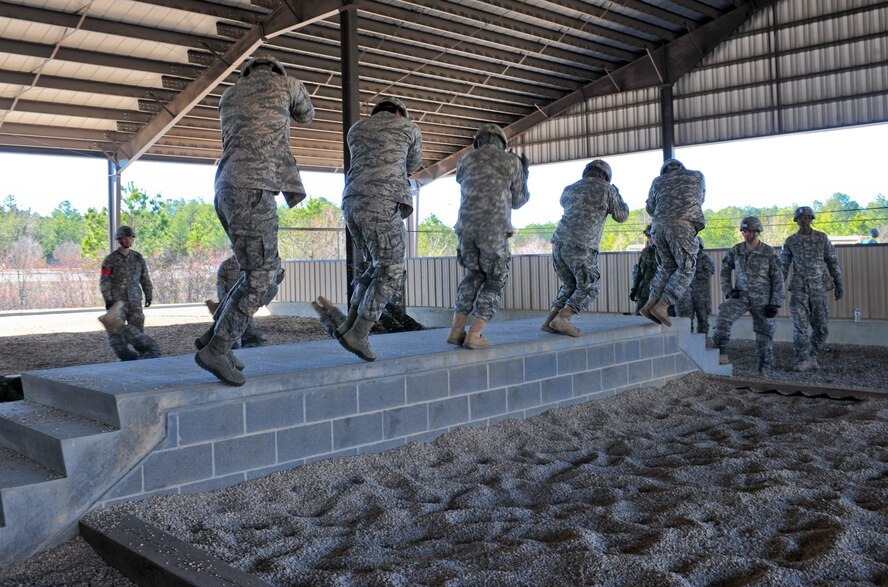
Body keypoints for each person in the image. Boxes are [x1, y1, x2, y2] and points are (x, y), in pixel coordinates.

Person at [195, 54, 314, 386]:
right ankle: (217, 348)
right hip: (254, 187)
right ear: (277, 71)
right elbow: (307, 115)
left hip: (225, 189)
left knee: (260, 272)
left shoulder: (228, 94)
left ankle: (216, 336)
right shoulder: (286, 85)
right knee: (263, 277)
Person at [335, 96, 423, 361]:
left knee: (375, 265)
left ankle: (348, 324)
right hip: (382, 202)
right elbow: (412, 165)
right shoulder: (408, 126)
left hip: (352, 202)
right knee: (392, 269)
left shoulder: (356, 129)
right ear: (399, 112)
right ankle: (359, 332)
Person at [446, 124, 529, 349]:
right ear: (502, 143)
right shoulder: (510, 162)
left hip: (466, 230)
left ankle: (456, 331)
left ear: (478, 141)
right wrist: (525, 175)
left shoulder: (465, 160)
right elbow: (519, 201)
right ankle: (475, 335)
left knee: (473, 275)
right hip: (493, 230)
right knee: (495, 279)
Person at [541, 159, 628, 337]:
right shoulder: (607, 189)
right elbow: (622, 215)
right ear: (605, 176)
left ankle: (550, 321)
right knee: (590, 286)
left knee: (570, 284)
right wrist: (617, 194)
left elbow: (564, 202)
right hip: (582, 245)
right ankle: (563, 319)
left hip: (559, 244)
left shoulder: (570, 188)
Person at [712, 217, 784, 372]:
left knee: (764, 334)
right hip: (741, 296)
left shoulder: (768, 252)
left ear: (757, 232)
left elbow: (778, 278)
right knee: (723, 315)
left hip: (763, 300)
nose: (747, 234)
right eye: (744, 231)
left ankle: (765, 369)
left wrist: (775, 302)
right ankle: (720, 353)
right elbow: (724, 271)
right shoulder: (736, 250)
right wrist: (728, 291)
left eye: (750, 231)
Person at [641, 158, 706, 326]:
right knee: (686, 267)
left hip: (658, 229)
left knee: (667, 266)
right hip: (682, 226)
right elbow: (700, 198)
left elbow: (650, 208)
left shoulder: (658, 181)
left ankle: (650, 304)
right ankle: (662, 305)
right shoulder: (697, 176)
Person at [780, 206, 844, 371]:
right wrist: (778, 289)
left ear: (811, 219)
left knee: (821, 328)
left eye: (807, 217)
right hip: (799, 289)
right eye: (800, 218)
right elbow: (783, 267)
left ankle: (812, 355)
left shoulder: (822, 238)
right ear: (797, 220)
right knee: (800, 327)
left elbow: (832, 261)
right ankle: (802, 359)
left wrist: (839, 283)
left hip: (818, 289)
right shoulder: (791, 241)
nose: (803, 220)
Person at [98, 225, 160, 360]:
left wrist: (148, 294)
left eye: (130, 238)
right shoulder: (110, 259)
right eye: (124, 238)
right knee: (118, 331)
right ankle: (125, 357)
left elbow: (145, 277)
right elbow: (104, 281)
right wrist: (108, 299)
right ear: (119, 240)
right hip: (117, 302)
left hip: (135, 300)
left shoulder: (138, 258)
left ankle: (143, 356)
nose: (128, 240)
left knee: (137, 331)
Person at [210, 255, 266, 348]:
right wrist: (223, 296)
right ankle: (229, 343)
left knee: (247, 319)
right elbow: (220, 282)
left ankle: (250, 341)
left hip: (245, 297)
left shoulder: (249, 263)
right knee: (229, 320)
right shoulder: (226, 265)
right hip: (231, 297)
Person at [675, 237, 716, 334]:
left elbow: (707, 275)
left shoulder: (705, 258)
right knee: (685, 321)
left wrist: (691, 273)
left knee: (703, 321)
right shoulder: (682, 258)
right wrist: (698, 270)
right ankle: (687, 343)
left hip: (701, 296)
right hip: (685, 296)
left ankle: (701, 343)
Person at [629, 225, 658, 316]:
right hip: (644, 293)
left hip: (659, 294)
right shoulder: (645, 252)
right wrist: (634, 289)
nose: (649, 239)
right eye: (648, 237)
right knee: (639, 319)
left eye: (650, 237)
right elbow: (639, 273)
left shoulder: (666, 252)